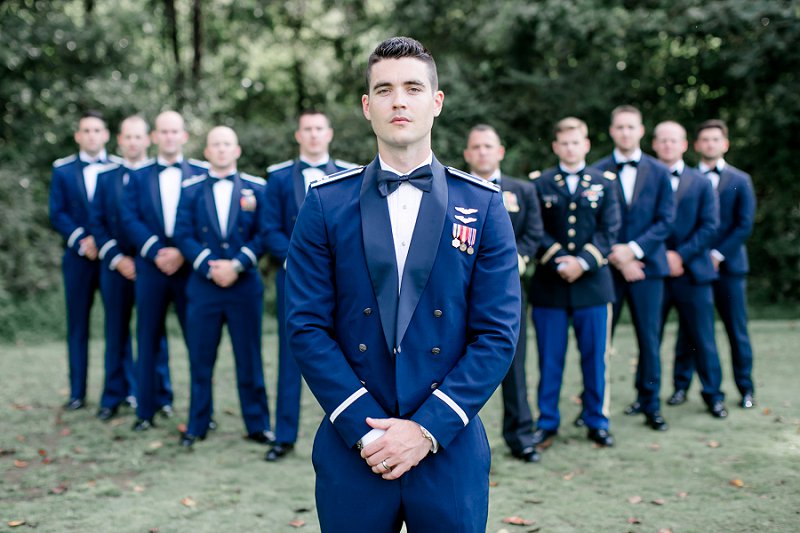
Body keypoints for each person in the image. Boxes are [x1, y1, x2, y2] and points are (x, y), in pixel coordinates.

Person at [285, 37, 520, 532]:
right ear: (367, 106)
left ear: (435, 102)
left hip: (448, 442)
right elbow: (306, 326)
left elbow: (498, 333)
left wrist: (427, 430)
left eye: (413, 87)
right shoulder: (325, 204)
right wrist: (367, 432)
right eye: (385, 89)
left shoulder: (484, 204)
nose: (399, 100)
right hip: (354, 444)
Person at [262, 110, 358, 461]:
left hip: (341, 281)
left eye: (319, 128)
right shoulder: (277, 178)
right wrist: (298, 261)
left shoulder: (350, 175)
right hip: (294, 278)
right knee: (291, 358)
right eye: (308, 129)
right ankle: (284, 436)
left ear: (329, 134)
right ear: (298, 135)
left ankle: (352, 430)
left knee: (349, 356)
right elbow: (269, 227)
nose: (314, 135)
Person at [174, 126, 274, 448]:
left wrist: (237, 264)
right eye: (215, 144)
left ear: (237, 150)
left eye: (226, 144)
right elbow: (182, 233)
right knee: (200, 359)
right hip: (204, 287)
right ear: (206, 152)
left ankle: (258, 425)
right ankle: (197, 424)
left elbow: (264, 233)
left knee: (249, 357)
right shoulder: (189, 189)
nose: (220, 149)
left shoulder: (257, 188)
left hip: (244, 285)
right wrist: (207, 265)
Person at [527, 117, 620, 454]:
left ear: (586, 145)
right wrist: (558, 260)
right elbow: (535, 229)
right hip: (550, 286)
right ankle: (546, 423)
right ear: (555, 146)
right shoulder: (540, 183)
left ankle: (598, 422)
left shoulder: (605, 183)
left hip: (593, 286)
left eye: (575, 142)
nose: (569, 147)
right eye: (563, 142)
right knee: (550, 360)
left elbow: (610, 231)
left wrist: (582, 262)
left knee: (596, 359)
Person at [120, 110, 207, 431]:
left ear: (183, 136)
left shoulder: (201, 173)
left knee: (198, 342)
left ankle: (201, 414)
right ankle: (145, 411)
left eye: (175, 132)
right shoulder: (138, 175)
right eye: (163, 132)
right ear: (154, 137)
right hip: (151, 268)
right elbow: (129, 218)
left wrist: (183, 253)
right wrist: (156, 252)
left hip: (189, 270)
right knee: (147, 337)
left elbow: (206, 218)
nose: (169, 137)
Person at [463, 124, 542, 463]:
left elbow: (533, 233)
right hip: (461, 294)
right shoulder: (454, 189)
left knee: (514, 365)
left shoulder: (522, 191)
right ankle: (453, 435)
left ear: (500, 151)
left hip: (507, 295)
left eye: (488, 146)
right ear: (467, 154)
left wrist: (515, 263)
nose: (482, 152)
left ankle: (521, 435)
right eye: (476, 147)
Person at [592, 105, 674, 431]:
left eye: (631, 127)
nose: (626, 132)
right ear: (612, 131)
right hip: (607, 271)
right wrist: (617, 255)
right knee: (600, 342)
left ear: (641, 131)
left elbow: (666, 220)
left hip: (647, 269)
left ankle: (650, 404)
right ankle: (596, 407)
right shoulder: (597, 171)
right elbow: (594, 222)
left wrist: (634, 250)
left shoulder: (659, 171)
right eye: (620, 127)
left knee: (649, 340)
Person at [89, 115, 172, 421]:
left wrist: (152, 256)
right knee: (116, 330)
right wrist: (118, 259)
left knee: (155, 333)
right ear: (119, 141)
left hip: (152, 266)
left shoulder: (157, 174)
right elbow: (96, 223)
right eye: (128, 137)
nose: (134, 142)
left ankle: (160, 395)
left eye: (139, 137)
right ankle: (114, 395)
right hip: (118, 266)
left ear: (148, 140)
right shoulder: (106, 178)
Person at [677, 119, 757, 409]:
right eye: (705, 139)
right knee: (691, 331)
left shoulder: (740, 180)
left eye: (715, 139)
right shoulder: (685, 180)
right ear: (696, 145)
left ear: (725, 144)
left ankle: (745, 388)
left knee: (736, 330)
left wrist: (718, 255)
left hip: (729, 268)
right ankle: (680, 386)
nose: (710, 144)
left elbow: (744, 225)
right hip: (694, 267)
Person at [652, 121, 728, 418]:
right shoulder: (646, 179)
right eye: (663, 140)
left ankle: (713, 395)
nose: (668, 145)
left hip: (693, 272)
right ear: (655, 144)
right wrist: (662, 256)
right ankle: (647, 397)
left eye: (674, 140)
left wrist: (679, 255)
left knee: (702, 337)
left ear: (684, 145)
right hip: (654, 272)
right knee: (650, 338)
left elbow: (710, 226)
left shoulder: (701, 182)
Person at [49, 110, 116, 410]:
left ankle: (120, 390)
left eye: (97, 130)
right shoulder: (62, 171)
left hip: (111, 258)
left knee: (117, 324)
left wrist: (104, 244)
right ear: (78, 136)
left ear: (106, 135)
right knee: (78, 325)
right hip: (77, 258)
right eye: (86, 130)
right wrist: (80, 240)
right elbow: (57, 212)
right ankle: (77, 393)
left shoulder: (118, 168)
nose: (91, 135)